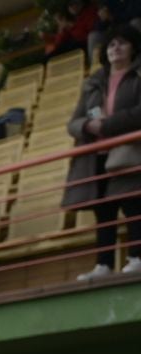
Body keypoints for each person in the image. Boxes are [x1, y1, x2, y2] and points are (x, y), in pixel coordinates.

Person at [66, 23, 141, 280]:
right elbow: (73, 122)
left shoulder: (138, 75)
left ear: (133, 48)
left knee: (133, 203)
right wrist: (88, 125)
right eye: (110, 44)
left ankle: (136, 257)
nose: (115, 48)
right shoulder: (94, 83)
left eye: (122, 43)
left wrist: (107, 125)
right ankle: (104, 265)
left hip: (129, 149)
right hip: (97, 153)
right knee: (104, 211)